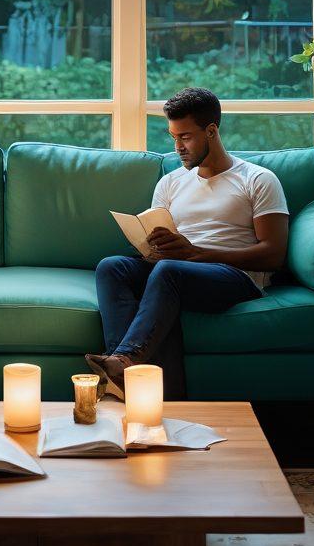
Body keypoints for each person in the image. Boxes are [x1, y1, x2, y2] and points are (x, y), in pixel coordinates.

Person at [86, 87, 289, 401]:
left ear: (211, 131)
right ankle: (121, 371)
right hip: (175, 270)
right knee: (112, 267)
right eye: (173, 137)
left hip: (233, 276)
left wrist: (195, 253)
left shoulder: (257, 179)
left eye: (185, 137)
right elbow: (161, 246)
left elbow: (273, 254)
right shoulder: (171, 182)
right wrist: (152, 248)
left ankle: (125, 361)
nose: (178, 146)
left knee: (169, 271)